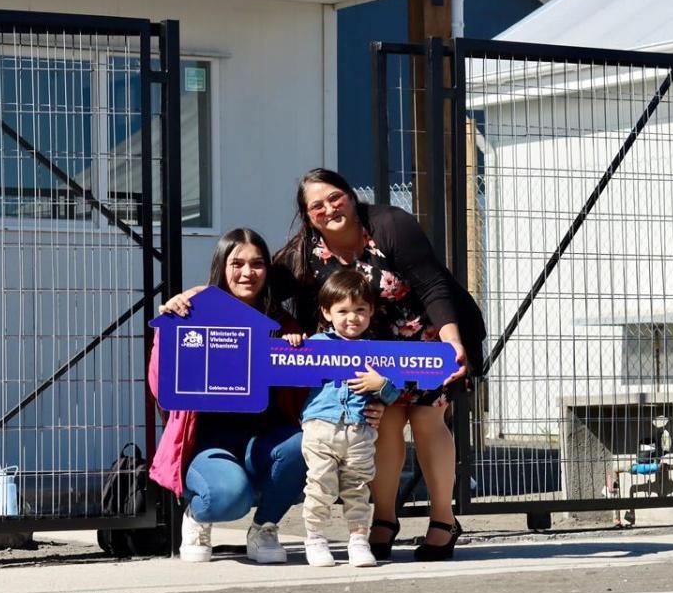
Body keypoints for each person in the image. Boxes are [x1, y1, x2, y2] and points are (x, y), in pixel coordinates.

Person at [273, 168, 486, 562]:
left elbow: (432, 284)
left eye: (335, 197)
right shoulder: (304, 253)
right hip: (368, 353)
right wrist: (201, 297)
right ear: (307, 216)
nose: (329, 208)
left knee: (427, 420)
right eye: (317, 205)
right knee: (383, 423)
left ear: (351, 197)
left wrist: (452, 338)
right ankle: (383, 520)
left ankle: (443, 519)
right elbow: (260, 288)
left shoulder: (390, 225)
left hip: (429, 338)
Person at [149, 228, 305, 564]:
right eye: (238, 263)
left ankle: (264, 529)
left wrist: (296, 350)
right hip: (208, 443)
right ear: (222, 266)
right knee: (230, 496)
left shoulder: (283, 323)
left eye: (257, 264)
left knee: (305, 446)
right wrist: (171, 326)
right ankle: (197, 516)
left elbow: (308, 385)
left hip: (264, 441)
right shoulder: (192, 313)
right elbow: (161, 386)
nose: (247, 273)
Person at [287, 269, 400, 568]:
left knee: (358, 488)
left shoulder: (379, 352)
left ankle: (358, 541)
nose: (353, 318)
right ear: (327, 312)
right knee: (320, 485)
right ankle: (315, 538)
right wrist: (294, 340)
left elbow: (393, 394)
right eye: (343, 311)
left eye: (360, 310)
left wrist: (382, 387)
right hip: (321, 428)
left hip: (360, 431)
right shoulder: (316, 343)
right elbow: (289, 365)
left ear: (371, 311)